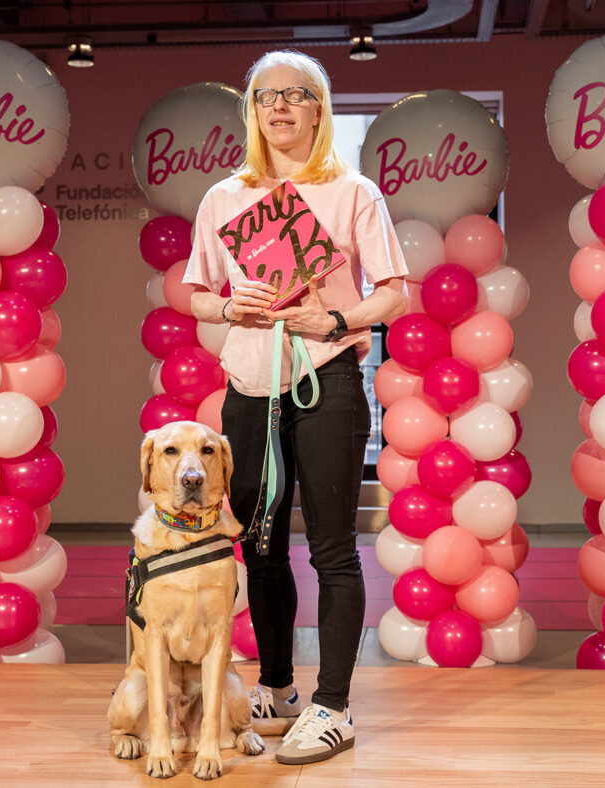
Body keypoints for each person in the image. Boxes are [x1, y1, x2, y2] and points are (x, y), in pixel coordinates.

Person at [184, 50, 408, 766]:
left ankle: (333, 706)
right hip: (248, 388)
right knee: (258, 543)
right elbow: (191, 293)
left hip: (328, 383)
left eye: (296, 94)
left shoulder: (351, 192)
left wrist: (336, 323)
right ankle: (276, 687)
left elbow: (395, 292)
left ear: (319, 108)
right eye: (264, 96)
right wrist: (225, 304)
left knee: (334, 549)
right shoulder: (224, 197)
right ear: (250, 112)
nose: (279, 106)